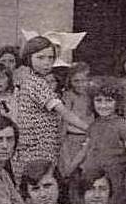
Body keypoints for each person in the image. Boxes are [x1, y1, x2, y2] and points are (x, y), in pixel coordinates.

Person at [67, 78, 126, 204]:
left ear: (118, 102)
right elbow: (85, 151)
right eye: (99, 100)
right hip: (91, 178)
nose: (103, 105)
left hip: (113, 181)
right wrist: (68, 170)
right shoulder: (94, 125)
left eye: (109, 100)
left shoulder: (122, 125)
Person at [15, 36, 91, 169]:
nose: (46, 62)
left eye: (50, 58)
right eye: (41, 58)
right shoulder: (36, 83)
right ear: (29, 58)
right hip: (37, 147)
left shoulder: (34, 80)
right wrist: (91, 129)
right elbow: (64, 112)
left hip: (40, 145)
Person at [59, 62, 93, 180]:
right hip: (72, 139)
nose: (80, 84)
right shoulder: (68, 96)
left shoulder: (92, 95)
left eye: (84, 80)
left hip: (89, 139)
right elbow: (64, 119)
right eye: (76, 81)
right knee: (70, 173)